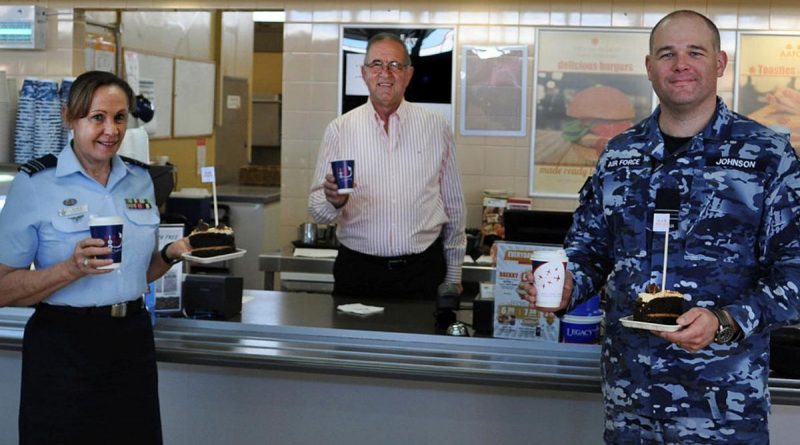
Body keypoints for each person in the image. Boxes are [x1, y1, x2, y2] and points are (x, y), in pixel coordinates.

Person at [519, 10, 800, 444]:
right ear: (649, 67)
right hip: (631, 401)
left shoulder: (767, 156)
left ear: (719, 63)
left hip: (724, 407)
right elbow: (589, 252)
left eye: (695, 52)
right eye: (667, 53)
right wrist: (565, 284)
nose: (680, 64)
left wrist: (724, 321)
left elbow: (795, 274)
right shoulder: (620, 155)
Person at [0, 70, 192, 444]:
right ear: (70, 118)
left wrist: (170, 255)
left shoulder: (140, 180)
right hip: (63, 346)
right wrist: (70, 269)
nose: (111, 130)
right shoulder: (36, 184)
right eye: (97, 118)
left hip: (131, 341)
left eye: (119, 118)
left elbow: (133, 274)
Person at [308, 32, 466, 299]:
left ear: (409, 74)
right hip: (358, 272)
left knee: (422, 339)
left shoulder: (435, 127)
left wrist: (454, 274)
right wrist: (333, 202)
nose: (386, 73)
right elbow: (317, 211)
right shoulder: (340, 129)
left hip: (422, 272)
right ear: (364, 72)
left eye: (395, 65)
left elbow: (454, 205)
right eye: (377, 64)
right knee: (354, 342)